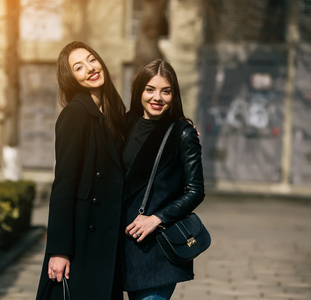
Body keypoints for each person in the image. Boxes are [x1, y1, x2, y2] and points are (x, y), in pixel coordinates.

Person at [35, 41, 127, 300]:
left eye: (91, 60)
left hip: (107, 241)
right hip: (82, 241)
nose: (90, 68)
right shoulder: (75, 114)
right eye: (79, 67)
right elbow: (64, 185)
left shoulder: (112, 111)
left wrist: (180, 133)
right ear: (71, 78)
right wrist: (59, 250)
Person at [121, 59, 205, 300]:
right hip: (119, 245)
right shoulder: (123, 125)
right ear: (139, 91)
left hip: (156, 247)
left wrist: (157, 218)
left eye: (165, 91)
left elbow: (195, 190)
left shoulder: (182, 133)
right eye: (150, 89)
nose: (157, 97)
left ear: (173, 95)